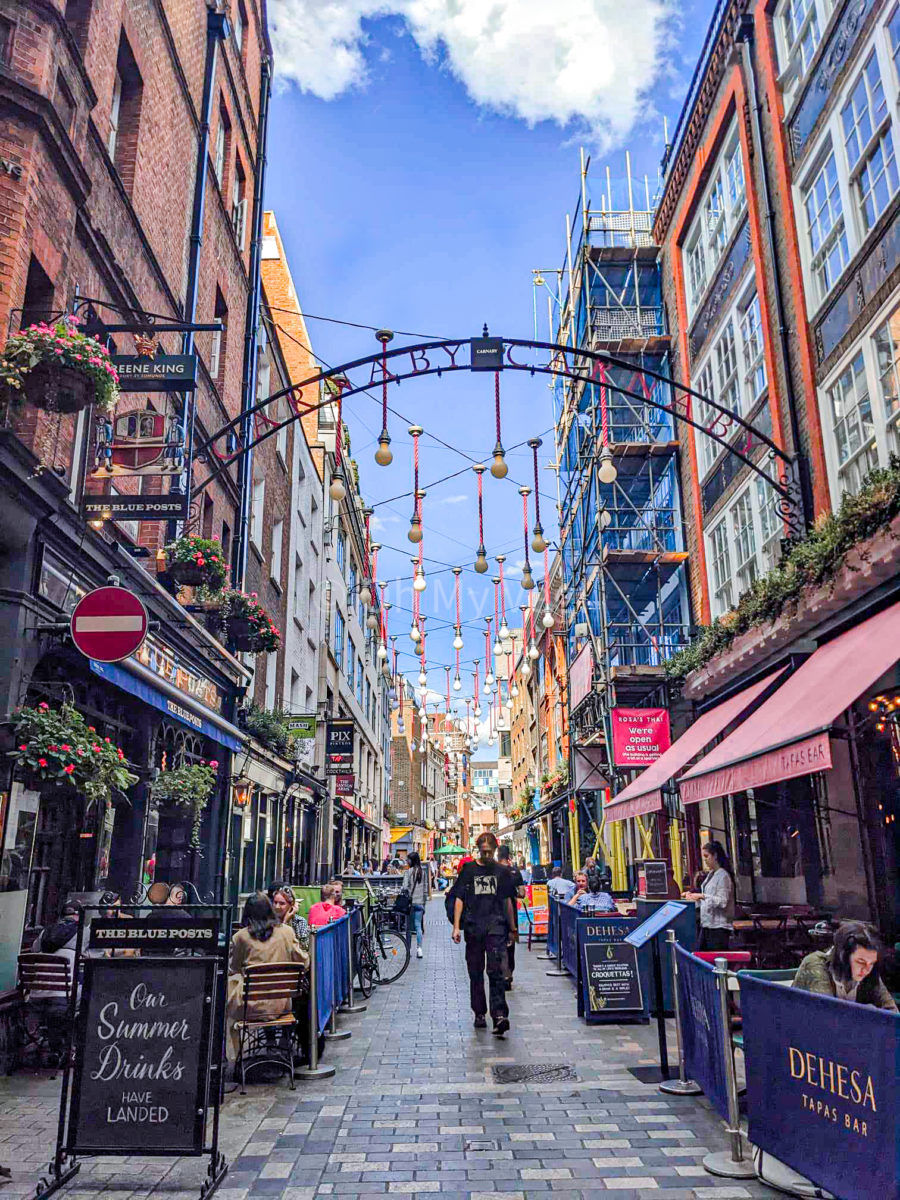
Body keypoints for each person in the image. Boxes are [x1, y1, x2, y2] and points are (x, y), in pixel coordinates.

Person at [450, 831, 517, 1036]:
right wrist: (456, 926)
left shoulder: (502, 872)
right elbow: (459, 898)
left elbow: (507, 902)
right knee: (475, 972)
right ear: (478, 849)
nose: (487, 856)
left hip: (496, 927)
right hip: (473, 927)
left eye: (490, 852)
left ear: (496, 850)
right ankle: (479, 1012)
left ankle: (499, 1016)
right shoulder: (469, 870)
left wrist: (513, 929)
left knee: (496, 971)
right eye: (483, 852)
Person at [227, 893, 308, 1058]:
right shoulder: (286, 932)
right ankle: (285, 1041)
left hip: (250, 1008)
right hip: (282, 1005)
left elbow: (233, 967)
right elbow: (304, 962)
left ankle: (235, 1059)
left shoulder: (241, 937)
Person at [793, 921, 898, 1011]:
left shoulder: (868, 970)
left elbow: (893, 1015)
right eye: (860, 962)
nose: (866, 969)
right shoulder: (815, 965)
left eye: (871, 963)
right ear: (843, 956)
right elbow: (829, 1018)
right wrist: (869, 1010)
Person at [683, 840, 735, 952]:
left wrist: (702, 896)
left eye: (707, 856)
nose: (705, 860)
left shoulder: (723, 876)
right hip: (707, 925)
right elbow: (707, 899)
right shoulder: (711, 874)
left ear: (715, 856)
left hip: (719, 928)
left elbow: (722, 901)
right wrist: (692, 897)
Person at [497, 845, 524, 989]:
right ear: (509, 856)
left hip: (496, 912)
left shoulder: (493, 871)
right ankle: (509, 973)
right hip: (512, 911)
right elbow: (522, 893)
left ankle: (503, 972)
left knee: (498, 943)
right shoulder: (515, 872)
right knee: (510, 943)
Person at [402, 851, 429, 959]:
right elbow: (426, 890)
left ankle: (408, 950)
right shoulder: (423, 872)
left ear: (411, 860)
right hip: (420, 903)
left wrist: (408, 891)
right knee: (418, 926)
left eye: (408, 859)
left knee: (408, 928)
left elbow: (404, 887)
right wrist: (424, 904)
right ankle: (419, 949)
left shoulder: (408, 872)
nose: (407, 861)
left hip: (411, 903)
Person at [267, 882, 309, 949]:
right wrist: (285, 922)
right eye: (275, 902)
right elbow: (274, 946)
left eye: (282, 903)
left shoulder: (299, 922)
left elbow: (304, 947)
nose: (277, 907)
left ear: (291, 905)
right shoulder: (268, 920)